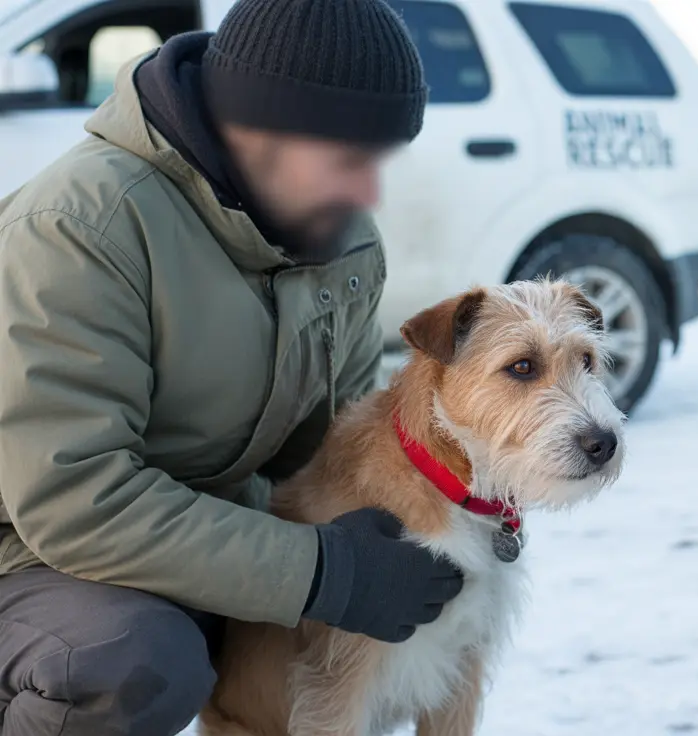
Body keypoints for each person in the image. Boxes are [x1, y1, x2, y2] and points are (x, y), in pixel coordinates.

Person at [0, 0, 466, 733]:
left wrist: (444, 506)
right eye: (349, 161)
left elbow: (333, 453)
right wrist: (320, 572)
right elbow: (73, 499)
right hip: (28, 554)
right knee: (127, 659)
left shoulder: (341, 243)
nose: (369, 194)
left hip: (194, 534)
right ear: (255, 132)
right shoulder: (80, 228)